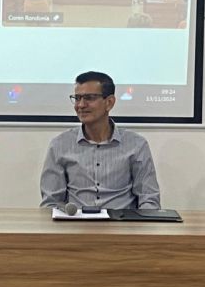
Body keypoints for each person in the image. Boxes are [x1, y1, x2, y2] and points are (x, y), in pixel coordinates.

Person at [40, 71, 161, 213]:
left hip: (122, 224)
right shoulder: (60, 145)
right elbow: (51, 203)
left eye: (89, 98)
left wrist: (141, 224)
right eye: (77, 98)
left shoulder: (136, 145)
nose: (81, 105)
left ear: (109, 102)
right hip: (76, 224)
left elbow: (149, 199)